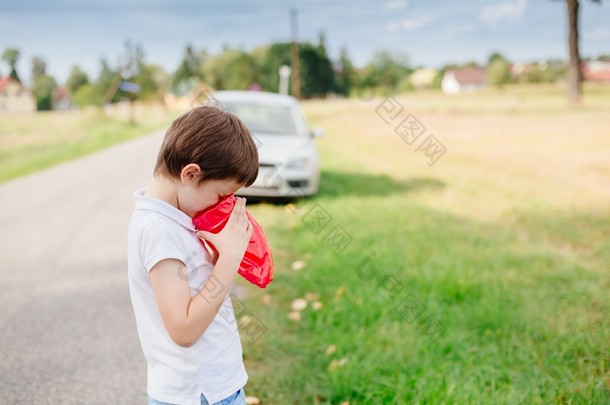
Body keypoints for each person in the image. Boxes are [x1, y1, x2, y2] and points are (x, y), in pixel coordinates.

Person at [127, 104, 259, 405]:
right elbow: (184, 329)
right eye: (221, 195)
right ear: (190, 174)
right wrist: (228, 260)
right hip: (197, 394)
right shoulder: (160, 231)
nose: (222, 204)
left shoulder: (174, 219)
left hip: (212, 389)